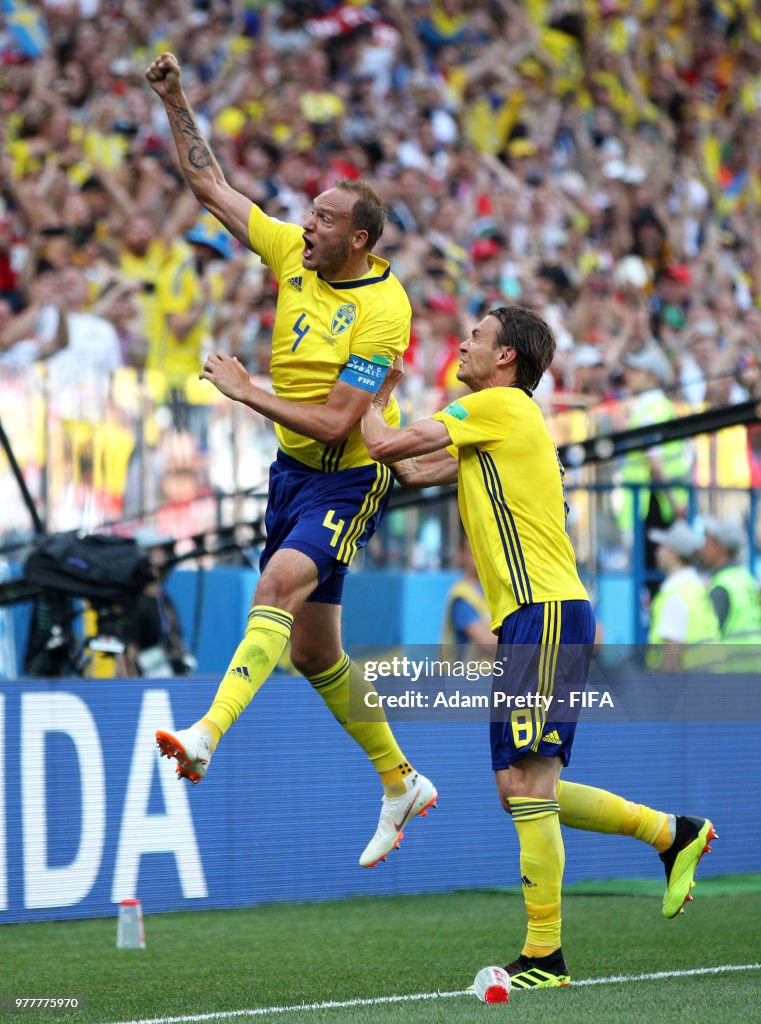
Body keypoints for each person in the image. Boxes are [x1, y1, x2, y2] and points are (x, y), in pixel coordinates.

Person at [361, 305, 715, 988]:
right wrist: (379, 404)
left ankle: (545, 956)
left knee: (525, 783)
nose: (462, 343)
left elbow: (382, 447)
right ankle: (671, 834)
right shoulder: (488, 428)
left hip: (543, 612)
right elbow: (409, 472)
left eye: (476, 337)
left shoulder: (500, 407)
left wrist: (366, 390)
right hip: (533, 618)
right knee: (520, 786)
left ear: (505, 360)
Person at [145, 52, 436, 868]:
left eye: (321, 219)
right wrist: (176, 97)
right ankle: (399, 780)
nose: (303, 226)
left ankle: (205, 734)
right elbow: (210, 187)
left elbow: (345, 419)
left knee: (274, 587)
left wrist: (246, 391)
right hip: (291, 472)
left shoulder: (383, 310)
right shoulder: (290, 258)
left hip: (348, 473)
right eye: (305, 215)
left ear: (360, 238)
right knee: (311, 651)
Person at [646, 520, 722, 673]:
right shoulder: (695, 587)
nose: (657, 551)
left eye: (662, 546)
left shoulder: (676, 595)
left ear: (674, 553)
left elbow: (671, 659)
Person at [700, 516, 761, 671]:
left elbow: (708, 641)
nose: (703, 548)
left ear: (719, 548)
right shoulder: (747, 579)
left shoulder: (722, 586)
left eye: (707, 542)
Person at [442, 534, 494, 657]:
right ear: (461, 555)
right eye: (472, 552)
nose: (478, 557)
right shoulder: (461, 597)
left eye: (481, 551)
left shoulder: (491, 591)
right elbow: (488, 644)